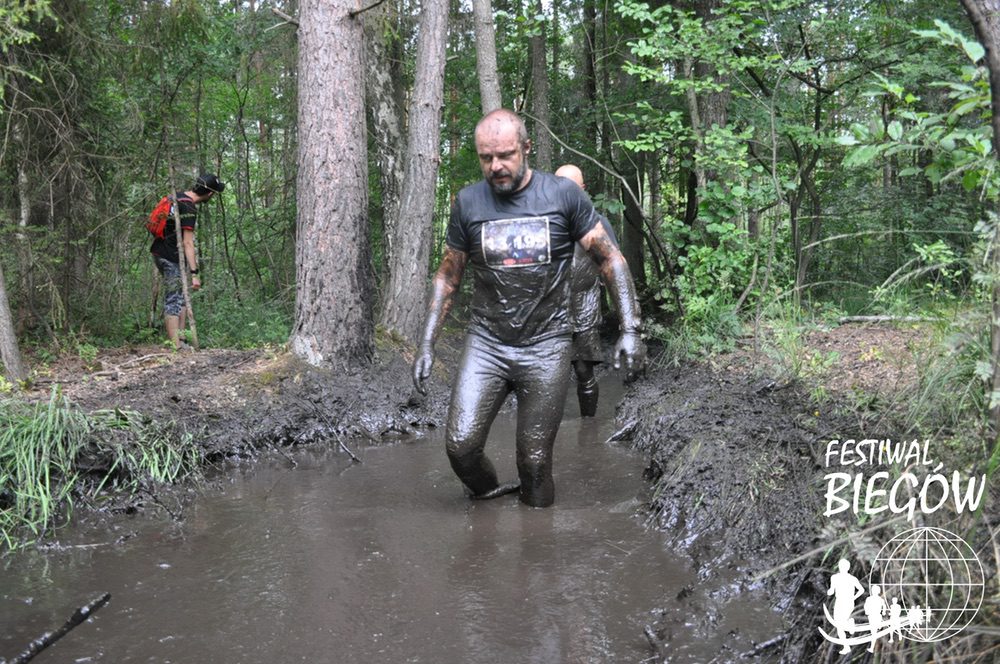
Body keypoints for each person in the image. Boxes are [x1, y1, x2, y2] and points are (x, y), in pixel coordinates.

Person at [412, 109, 645, 508]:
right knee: (461, 448)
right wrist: (426, 343)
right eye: (486, 158)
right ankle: (487, 495)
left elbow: (610, 258)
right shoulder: (468, 202)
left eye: (505, 155)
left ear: (526, 148)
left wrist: (630, 329)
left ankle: (536, 540)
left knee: (534, 463)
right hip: (487, 344)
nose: (496, 166)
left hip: (547, 345)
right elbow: (448, 276)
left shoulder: (562, 195)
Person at [554, 164, 620, 417]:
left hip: (585, 305)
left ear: (582, 189)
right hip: (551, 309)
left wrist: (627, 320)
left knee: (584, 370)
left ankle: (588, 424)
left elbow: (614, 267)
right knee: (547, 372)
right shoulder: (542, 222)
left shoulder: (598, 223)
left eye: (572, 186)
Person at [150, 173, 224, 348]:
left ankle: (181, 340)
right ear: (210, 193)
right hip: (171, 257)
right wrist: (194, 273)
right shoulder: (188, 207)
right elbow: (188, 242)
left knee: (181, 297)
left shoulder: (176, 197)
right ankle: (175, 347)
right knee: (174, 299)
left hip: (159, 252)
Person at [827, 558, 865, 654]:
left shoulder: (851, 579)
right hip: (841, 601)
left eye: (844, 566)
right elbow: (832, 590)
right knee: (839, 625)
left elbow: (861, 590)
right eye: (841, 566)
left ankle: (850, 624)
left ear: (848, 567)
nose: (842, 567)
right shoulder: (835, 578)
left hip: (846, 601)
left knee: (840, 625)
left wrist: (853, 597)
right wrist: (829, 592)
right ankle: (846, 644)